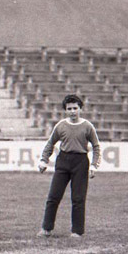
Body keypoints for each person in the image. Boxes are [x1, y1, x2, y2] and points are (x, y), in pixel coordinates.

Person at [36, 94, 101, 238]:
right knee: (53, 196)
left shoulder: (87, 126)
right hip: (63, 161)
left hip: (80, 162)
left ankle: (77, 231)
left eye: (75, 108)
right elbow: (50, 143)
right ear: (65, 110)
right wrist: (44, 160)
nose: (72, 111)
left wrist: (94, 165)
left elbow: (96, 147)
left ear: (80, 109)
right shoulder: (61, 126)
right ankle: (46, 228)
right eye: (69, 108)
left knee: (78, 198)